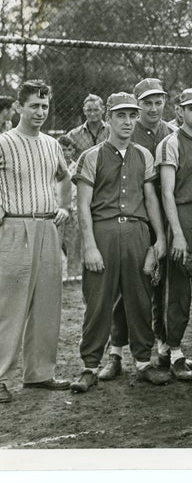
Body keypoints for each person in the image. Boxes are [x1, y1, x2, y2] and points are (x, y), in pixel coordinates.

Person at [70, 92, 169, 393]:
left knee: (140, 299)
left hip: (138, 233)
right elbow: (82, 205)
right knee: (98, 301)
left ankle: (143, 362)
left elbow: (151, 199)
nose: (127, 122)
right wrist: (88, 244)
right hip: (104, 232)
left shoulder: (143, 155)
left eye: (132, 115)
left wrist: (160, 238)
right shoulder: (92, 155)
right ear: (108, 118)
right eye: (121, 116)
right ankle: (89, 366)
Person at [0, 80, 72, 404]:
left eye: (44, 106)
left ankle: (39, 373)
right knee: (9, 307)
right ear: (19, 107)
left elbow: (65, 177)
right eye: (34, 106)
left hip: (47, 227)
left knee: (47, 304)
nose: (40, 112)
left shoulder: (52, 144)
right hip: (15, 227)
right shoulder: (4, 143)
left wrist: (64, 207)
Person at [104, 78, 176, 376]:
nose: (154, 108)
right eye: (146, 103)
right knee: (126, 289)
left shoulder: (171, 134)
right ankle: (116, 352)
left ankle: (163, 346)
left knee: (162, 287)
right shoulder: (125, 136)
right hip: (136, 218)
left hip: (166, 217)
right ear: (136, 106)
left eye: (158, 101)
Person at [155, 88, 192, 382]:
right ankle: (174, 352)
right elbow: (167, 192)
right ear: (180, 111)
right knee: (177, 287)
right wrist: (176, 234)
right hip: (182, 214)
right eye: (191, 108)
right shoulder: (170, 143)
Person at [57, 135, 82, 281]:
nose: (66, 153)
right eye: (62, 149)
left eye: (69, 149)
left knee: (74, 244)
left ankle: (74, 275)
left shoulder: (76, 166)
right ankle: (58, 275)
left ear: (73, 151)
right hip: (57, 211)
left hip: (74, 210)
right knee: (56, 244)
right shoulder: (53, 166)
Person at [64, 94, 110, 159]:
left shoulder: (112, 131)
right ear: (84, 111)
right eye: (89, 110)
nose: (92, 113)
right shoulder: (74, 134)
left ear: (103, 109)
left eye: (96, 110)